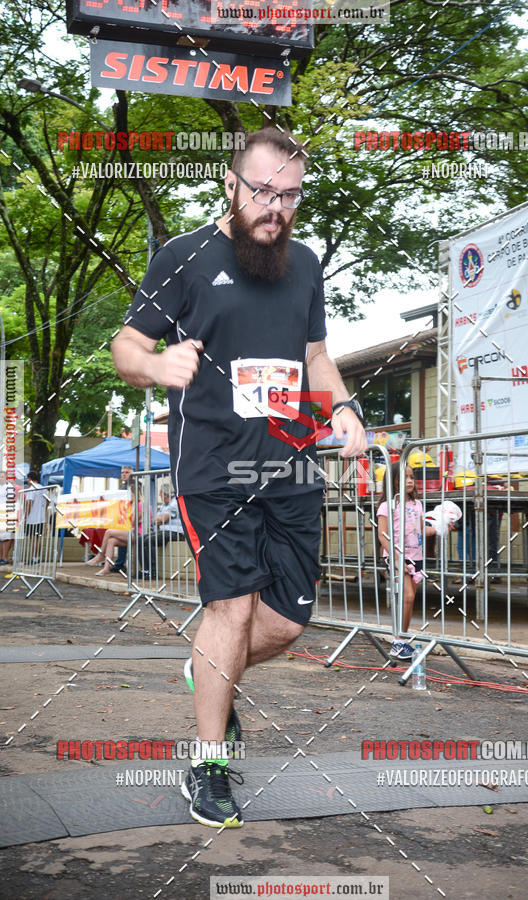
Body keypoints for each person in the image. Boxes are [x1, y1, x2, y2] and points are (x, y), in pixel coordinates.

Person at [111, 127, 367, 828]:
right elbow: (126, 345)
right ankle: (209, 760)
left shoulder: (307, 263)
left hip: (290, 464)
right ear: (231, 185)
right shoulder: (185, 256)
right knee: (232, 610)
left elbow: (316, 355)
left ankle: (207, 675)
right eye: (261, 191)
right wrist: (155, 366)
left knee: (285, 623)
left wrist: (342, 406)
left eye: (288, 195)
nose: (274, 207)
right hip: (214, 469)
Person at [377, 462, 438, 660]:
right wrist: (395, 559)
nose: (410, 481)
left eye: (412, 477)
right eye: (404, 477)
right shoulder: (388, 505)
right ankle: (398, 641)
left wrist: (441, 527)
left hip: (416, 557)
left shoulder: (417, 504)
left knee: (410, 601)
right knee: (407, 596)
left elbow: (421, 530)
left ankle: (401, 640)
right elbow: (382, 535)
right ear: (392, 481)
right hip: (397, 558)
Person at [86, 476, 151, 575]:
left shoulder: (140, 504)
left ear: (135, 494)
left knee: (109, 532)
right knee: (111, 541)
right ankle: (106, 568)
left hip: (139, 533)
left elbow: (132, 522)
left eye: (130, 495)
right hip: (132, 532)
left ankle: (101, 555)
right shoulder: (134, 505)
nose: (128, 497)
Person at [136, 485, 185, 578]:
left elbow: (163, 519)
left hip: (175, 532)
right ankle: (145, 570)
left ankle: (153, 571)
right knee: (140, 539)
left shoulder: (174, 503)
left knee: (150, 540)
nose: (160, 496)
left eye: (160, 494)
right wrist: (159, 519)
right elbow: (155, 520)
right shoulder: (164, 505)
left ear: (165, 495)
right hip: (164, 531)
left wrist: (160, 519)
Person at [24, 471, 46, 564]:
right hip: (40, 517)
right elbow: (47, 501)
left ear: (30, 479)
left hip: (32, 518)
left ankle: (34, 558)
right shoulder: (43, 488)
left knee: (33, 538)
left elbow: (29, 503)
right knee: (37, 538)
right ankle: (37, 558)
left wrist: (26, 516)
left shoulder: (32, 488)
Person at [0, 471, 15, 565]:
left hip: (6, 513)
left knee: (6, 537)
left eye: (2, 477)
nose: (0, 478)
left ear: (6, 478)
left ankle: (5, 557)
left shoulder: (9, 487)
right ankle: (0, 557)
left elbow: (10, 500)